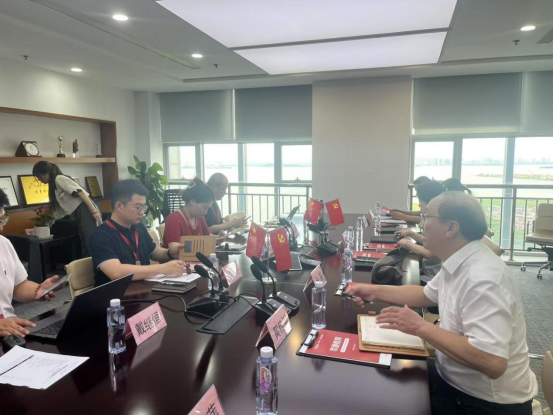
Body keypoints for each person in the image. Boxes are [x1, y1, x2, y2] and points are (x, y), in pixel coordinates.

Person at [347, 192, 538, 415]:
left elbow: (492, 362)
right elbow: (425, 294)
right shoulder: (461, 259)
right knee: (376, 372)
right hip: (453, 380)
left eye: (427, 217)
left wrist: (420, 327)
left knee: (374, 397)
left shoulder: (483, 279)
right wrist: (372, 291)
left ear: (451, 228)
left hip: (483, 404)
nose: (421, 224)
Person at [89, 180, 187, 287]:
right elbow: (116, 272)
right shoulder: (100, 235)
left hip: (145, 288)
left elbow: (153, 251)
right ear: (119, 206)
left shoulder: (139, 227)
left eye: (144, 207)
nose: (142, 212)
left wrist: (170, 253)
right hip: (116, 294)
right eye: (137, 207)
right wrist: (161, 268)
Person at [0, 189, 59, 338]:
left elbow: (18, 286)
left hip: (11, 331)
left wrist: (38, 290)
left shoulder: (3, 244)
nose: (1, 228)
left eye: (1, 220)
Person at [33, 161, 101, 257]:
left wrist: (93, 211)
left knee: (90, 241)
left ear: (47, 173)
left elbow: (80, 192)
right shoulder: (53, 185)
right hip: (78, 213)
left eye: (39, 177)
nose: (39, 180)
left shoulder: (59, 179)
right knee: (84, 242)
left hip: (85, 209)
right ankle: (88, 265)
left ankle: (99, 264)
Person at [395, 181, 446, 283]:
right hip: (428, 272)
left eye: (420, 201)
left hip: (432, 277)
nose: (418, 205)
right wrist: (411, 233)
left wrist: (407, 243)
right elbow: (428, 241)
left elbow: (429, 253)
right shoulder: (438, 218)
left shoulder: (439, 223)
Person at [163, 178, 214, 249]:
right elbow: (174, 249)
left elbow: (208, 237)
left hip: (194, 255)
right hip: (177, 256)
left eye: (208, 208)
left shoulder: (199, 217)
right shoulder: (174, 219)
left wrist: (219, 238)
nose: (206, 212)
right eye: (204, 207)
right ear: (192, 201)